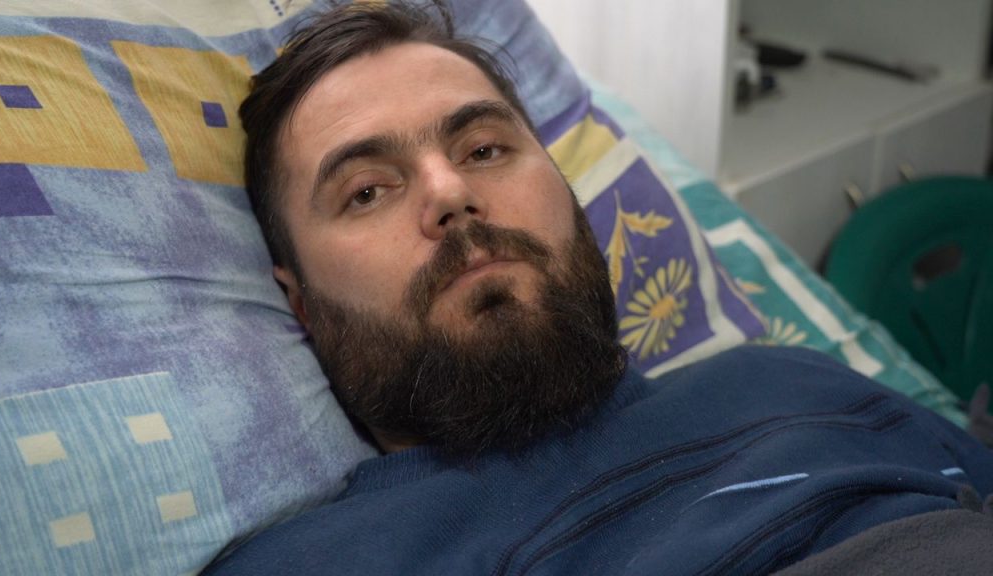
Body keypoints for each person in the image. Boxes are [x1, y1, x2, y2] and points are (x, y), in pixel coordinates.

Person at [206, 2, 993, 573]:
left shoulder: (791, 381)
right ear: (301, 305)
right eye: (368, 191)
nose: (450, 192)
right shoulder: (313, 562)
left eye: (483, 149)